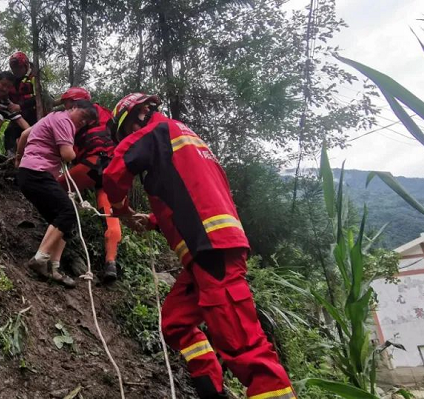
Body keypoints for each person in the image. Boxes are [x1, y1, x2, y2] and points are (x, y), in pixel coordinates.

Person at [101, 93, 296, 399]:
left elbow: (114, 175)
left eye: (125, 131)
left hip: (211, 249)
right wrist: (151, 220)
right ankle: (210, 387)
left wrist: (122, 211)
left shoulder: (157, 132)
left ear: (138, 115)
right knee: (176, 321)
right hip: (209, 248)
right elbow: (190, 196)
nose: (128, 137)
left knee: (244, 347)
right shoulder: (187, 141)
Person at [14, 100, 99, 288]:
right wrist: (78, 154)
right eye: (83, 117)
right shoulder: (64, 120)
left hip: (29, 174)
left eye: (86, 122)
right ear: (72, 108)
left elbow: (24, 134)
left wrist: (19, 158)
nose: (82, 123)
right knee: (67, 212)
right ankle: (39, 259)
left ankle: (54, 268)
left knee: (63, 219)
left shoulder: (50, 118)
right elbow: (68, 155)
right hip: (38, 173)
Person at [54, 87, 121, 283]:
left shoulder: (77, 116)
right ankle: (110, 262)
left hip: (93, 163)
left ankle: (58, 232)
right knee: (111, 214)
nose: (67, 107)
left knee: (55, 189)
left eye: (68, 103)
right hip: (113, 169)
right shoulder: (105, 113)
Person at [4, 51, 39, 156]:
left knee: (33, 136)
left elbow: (39, 98)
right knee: (9, 133)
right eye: (14, 68)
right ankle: (10, 156)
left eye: (19, 68)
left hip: (34, 114)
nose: (16, 71)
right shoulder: (11, 80)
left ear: (25, 66)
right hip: (18, 115)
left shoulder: (34, 79)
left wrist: (20, 106)